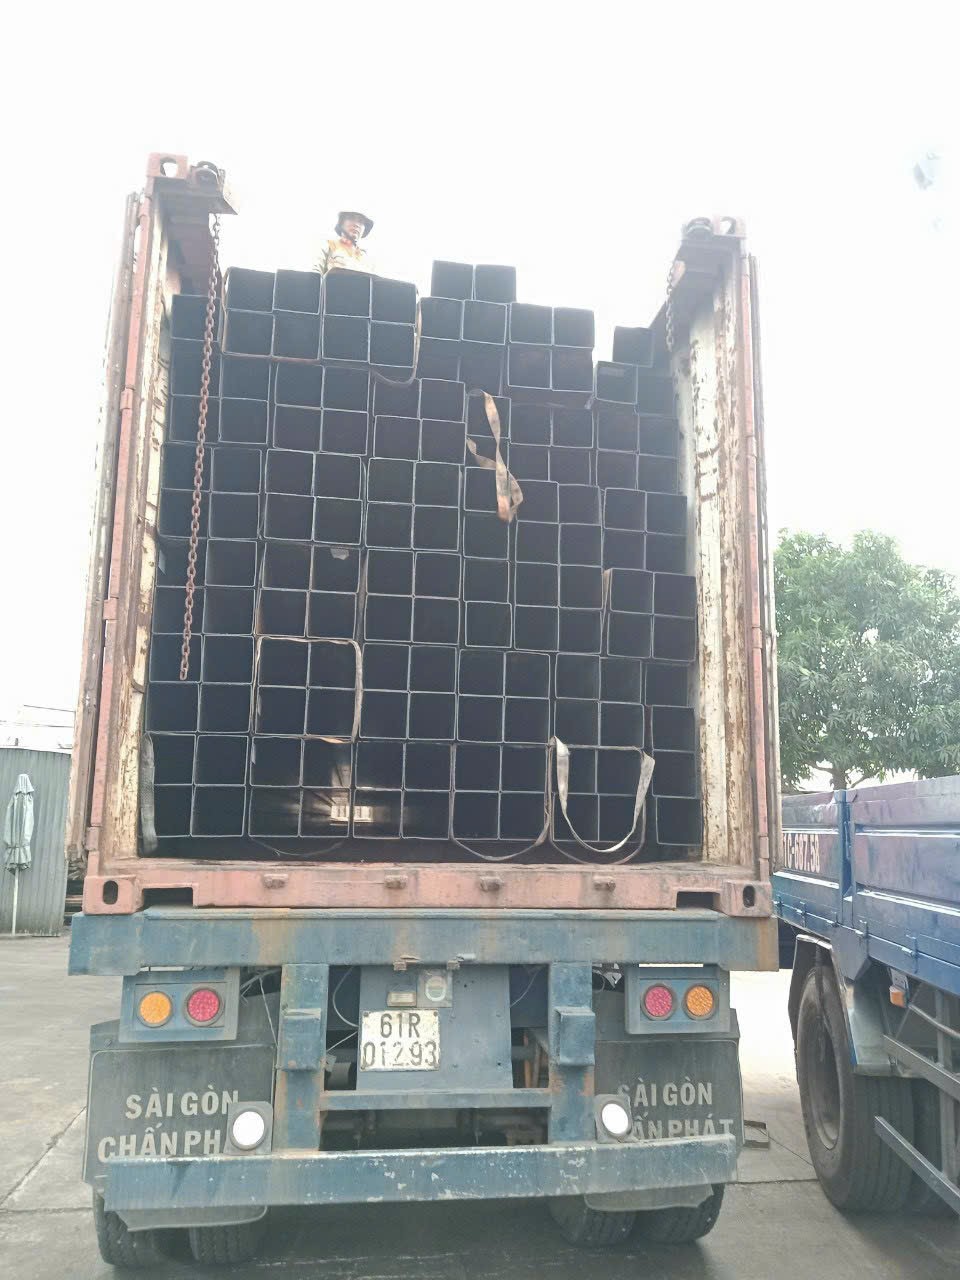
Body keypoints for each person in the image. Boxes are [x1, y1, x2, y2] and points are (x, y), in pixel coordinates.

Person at [314, 210, 374, 275]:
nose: (356, 224)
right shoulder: (329, 245)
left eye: (361, 221)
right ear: (341, 223)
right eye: (351, 218)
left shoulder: (366, 258)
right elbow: (315, 273)